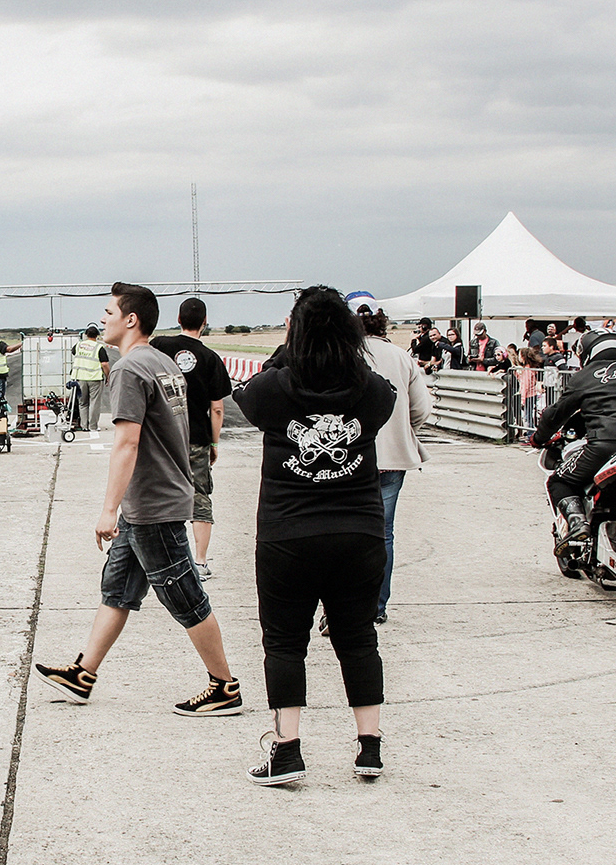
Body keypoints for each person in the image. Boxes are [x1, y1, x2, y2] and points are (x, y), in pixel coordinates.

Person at [34, 282, 241, 718]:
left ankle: (224, 685)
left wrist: (108, 509)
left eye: (109, 312)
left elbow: (127, 443)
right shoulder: (163, 363)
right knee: (119, 588)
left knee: (184, 596)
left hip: (152, 506)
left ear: (131, 319)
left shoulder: (129, 370)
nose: (104, 318)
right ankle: (83, 672)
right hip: (154, 498)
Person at [233, 286, 397, 785]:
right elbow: (386, 398)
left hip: (288, 534)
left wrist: (288, 351)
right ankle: (369, 748)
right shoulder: (370, 389)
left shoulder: (274, 388)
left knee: (284, 643)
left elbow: (248, 399)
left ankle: (287, 752)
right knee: (358, 638)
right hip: (359, 531)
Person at [531, 330, 616, 548]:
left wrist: (538, 438)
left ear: (587, 351)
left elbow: (555, 414)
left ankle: (577, 523)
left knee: (559, 480)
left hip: (605, 445)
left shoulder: (584, 377)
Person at [354, 300, 432, 624]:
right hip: (393, 458)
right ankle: (377, 606)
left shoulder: (346, 355)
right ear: (383, 324)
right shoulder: (403, 357)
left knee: (349, 531)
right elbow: (423, 410)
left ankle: (345, 606)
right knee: (383, 533)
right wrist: (400, 427)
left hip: (351, 457)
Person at [150, 297, 232, 579]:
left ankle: (161, 559)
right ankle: (199, 561)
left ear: (179, 319)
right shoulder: (211, 359)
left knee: (160, 493)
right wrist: (214, 442)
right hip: (196, 438)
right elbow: (217, 407)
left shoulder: (159, 346)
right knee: (199, 497)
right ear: (205, 323)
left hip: (163, 437)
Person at [68, 325, 110, 432]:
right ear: (97, 336)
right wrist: (108, 377)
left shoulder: (78, 345)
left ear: (86, 335)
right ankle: (93, 426)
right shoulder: (99, 347)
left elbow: (73, 353)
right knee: (94, 403)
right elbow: (104, 364)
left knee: (82, 403)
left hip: (80, 378)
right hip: (94, 378)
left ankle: (84, 426)